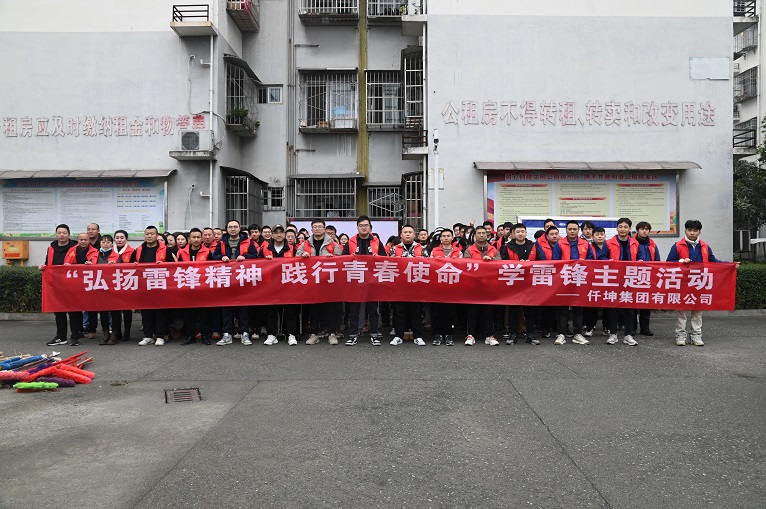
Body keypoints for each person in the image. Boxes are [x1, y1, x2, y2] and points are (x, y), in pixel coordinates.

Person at [666, 219, 737, 346]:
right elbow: (669, 263)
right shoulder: (677, 246)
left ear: (700, 231)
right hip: (683, 282)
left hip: (699, 282)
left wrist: (730, 265)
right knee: (681, 310)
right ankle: (680, 335)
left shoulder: (705, 246)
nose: (692, 233)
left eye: (695, 230)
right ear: (685, 230)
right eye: (689, 230)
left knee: (698, 310)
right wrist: (682, 261)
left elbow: (713, 261)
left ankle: (696, 335)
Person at [297, 219, 343, 345]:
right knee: (314, 309)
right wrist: (303, 255)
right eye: (315, 227)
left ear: (324, 229)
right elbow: (296, 257)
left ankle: (332, 333)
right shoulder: (305, 244)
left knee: (330, 308)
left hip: (328, 281)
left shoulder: (332, 244)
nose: (317, 229)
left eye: (320, 226)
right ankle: (314, 334)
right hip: (312, 281)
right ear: (311, 229)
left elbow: (341, 259)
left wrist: (333, 257)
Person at [212, 219, 258, 346]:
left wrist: (245, 257)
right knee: (226, 308)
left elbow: (255, 255)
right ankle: (227, 334)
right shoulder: (221, 242)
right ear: (227, 229)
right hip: (226, 279)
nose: (233, 229)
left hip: (242, 279)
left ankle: (244, 333)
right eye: (230, 227)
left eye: (235, 227)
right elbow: (214, 256)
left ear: (239, 228)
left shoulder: (248, 242)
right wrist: (221, 257)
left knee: (243, 308)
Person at [342, 215, 387, 346]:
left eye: (366, 225)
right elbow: (343, 259)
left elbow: (385, 258)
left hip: (372, 280)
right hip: (355, 280)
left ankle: (374, 334)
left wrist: (377, 257)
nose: (363, 228)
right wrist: (350, 257)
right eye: (361, 226)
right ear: (357, 228)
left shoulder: (377, 242)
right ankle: (353, 335)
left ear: (370, 227)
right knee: (354, 310)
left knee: (373, 309)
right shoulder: (351, 242)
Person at [555, 220, 593, 345]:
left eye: (574, 229)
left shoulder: (585, 244)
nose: (572, 231)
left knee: (578, 307)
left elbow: (591, 259)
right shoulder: (559, 243)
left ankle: (577, 334)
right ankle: (561, 334)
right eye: (570, 229)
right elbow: (555, 261)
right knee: (562, 308)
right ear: (566, 230)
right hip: (564, 279)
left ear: (578, 230)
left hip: (579, 279)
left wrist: (584, 262)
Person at [500, 223, 539, 345]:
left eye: (522, 231)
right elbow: (503, 263)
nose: (520, 234)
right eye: (518, 232)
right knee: (514, 309)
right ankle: (512, 333)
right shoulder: (507, 247)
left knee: (530, 309)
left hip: (529, 282)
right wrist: (517, 264)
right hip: (514, 281)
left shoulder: (533, 246)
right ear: (513, 234)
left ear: (526, 233)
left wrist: (529, 263)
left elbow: (541, 261)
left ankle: (531, 333)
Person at [41, 224, 80, 347]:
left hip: (71, 285)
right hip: (56, 284)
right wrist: (43, 267)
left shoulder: (76, 248)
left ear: (69, 234)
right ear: (56, 234)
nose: (62, 235)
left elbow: (83, 264)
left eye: (64, 233)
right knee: (59, 311)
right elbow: (48, 264)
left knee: (73, 312)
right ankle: (61, 337)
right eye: (59, 233)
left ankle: (75, 336)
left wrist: (72, 267)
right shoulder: (51, 248)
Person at [388, 225, 427, 346]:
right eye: (405, 232)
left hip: (416, 285)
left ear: (414, 235)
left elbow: (428, 264)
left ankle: (418, 336)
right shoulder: (395, 249)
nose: (408, 234)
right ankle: (398, 335)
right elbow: (390, 265)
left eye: (410, 232)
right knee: (399, 311)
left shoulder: (421, 248)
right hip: (400, 286)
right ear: (401, 235)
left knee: (416, 312)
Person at [463, 225, 500, 346]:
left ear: (487, 235)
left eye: (483, 233)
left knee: (488, 313)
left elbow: (501, 264)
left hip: (489, 286)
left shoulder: (493, 249)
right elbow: (465, 266)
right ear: (475, 235)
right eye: (479, 233)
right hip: (473, 286)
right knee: (472, 313)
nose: (482, 235)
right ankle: (470, 335)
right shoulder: (469, 250)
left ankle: (489, 335)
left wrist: (492, 260)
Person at [131, 226, 168, 346]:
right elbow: (131, 265)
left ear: (157, 235)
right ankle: (148, 336)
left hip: (159, 284)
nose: (149, 236)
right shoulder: (138, 250)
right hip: (143, 285)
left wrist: (163, 265)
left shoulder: (165, 249)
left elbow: (173, 266)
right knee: (146, 311)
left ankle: (160, 336)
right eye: (147, 234)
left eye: (152, 234)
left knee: (159, 312)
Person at [605, 218, 639, 346]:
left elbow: (641, 257)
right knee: (613, 308)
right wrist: (608, 261)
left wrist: (641, 261)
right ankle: (613, 334)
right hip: (614, 279)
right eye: (620, 227)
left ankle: (628, 335)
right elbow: (602, 257)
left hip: (630, 279)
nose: (623, 229)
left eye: (625, 227)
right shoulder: (609, 243)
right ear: (617, 228)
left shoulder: (635, 243)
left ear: (630, 229)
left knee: (629, 308)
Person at [177, 228, 213, 345]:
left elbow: (211, 268)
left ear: (201, 238)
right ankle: (190, 336)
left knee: (204, 313)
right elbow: (177, 269)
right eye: (194, 237)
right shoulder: (182, 252)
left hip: (202, 287)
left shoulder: (207, 252)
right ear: (189, 239)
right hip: (187, 286)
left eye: (198, 237)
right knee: (188, 313)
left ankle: (205, 335)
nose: (196, 239)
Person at [430, 228, 462, 346]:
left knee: (450, 313)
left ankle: (449, 334)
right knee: (437, 312)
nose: (446, 238)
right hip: (438, 286)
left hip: (452, 286)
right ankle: (438, 334)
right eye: (444, 236)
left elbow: (462, 267)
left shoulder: (458, 252)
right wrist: (435, 262)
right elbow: (429, 266)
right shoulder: (434, 251)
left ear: (452, 238)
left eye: (448, 236)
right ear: (440, 238)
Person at [634, 221, 661, 336]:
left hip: (647, 276)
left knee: (645, 303)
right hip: (633, 275)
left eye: (646, 229)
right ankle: (632, 328)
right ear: (637, 230)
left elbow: (657, 260)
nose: (644, 231)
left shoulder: (652, 244)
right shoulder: (632, 242)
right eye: (642, 229)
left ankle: (645, 328)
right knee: (633, 303)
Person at [583, 226, 610, 337]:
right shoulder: (588, 247)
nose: (599, 237)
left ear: (605, 236)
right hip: (593, 279)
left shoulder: (609, 246)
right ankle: (590, 326)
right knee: (592, 304)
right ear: (592, 237)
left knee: (607, 303)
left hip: (607, 278)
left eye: (601, 234)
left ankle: (606, 327)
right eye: (597, 235)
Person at [94, 235, 120, 345]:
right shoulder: (94, 256)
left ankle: (115, 334)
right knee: (103, 312)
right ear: (100, 243)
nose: (106, 244)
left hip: (113, 287)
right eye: (103, 242)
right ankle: (105, 334)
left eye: (108, 242)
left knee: (115, 312)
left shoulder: (117, 256)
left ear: (112, 244)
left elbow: (123, 269)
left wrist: (116, 265)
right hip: (100, 286)